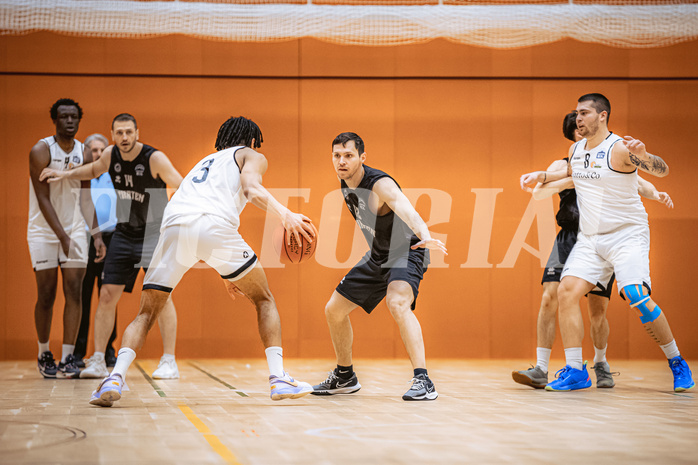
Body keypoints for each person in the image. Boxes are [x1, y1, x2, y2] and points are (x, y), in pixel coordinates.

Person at [87, 115, 317, 406]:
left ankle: (115, 378)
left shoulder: (204, 162)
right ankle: (279, 378)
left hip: (172, 228)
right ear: (251, 140)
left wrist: (227, 273)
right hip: (212, 226)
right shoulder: (251, 155)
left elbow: (197, 223)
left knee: (146, 313)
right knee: (264, 298)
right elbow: (250, 190)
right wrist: (287, 215)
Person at [526, 93, 693, 392]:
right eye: (577, 113)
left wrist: (643, 154)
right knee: (566, 292)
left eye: (585, 113)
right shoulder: (575, 149)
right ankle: (576, 371)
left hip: (626, 235)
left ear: (602, 116)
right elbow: (567, 171)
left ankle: (676, 361)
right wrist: (540, 174)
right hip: (591, 239)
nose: (579, 118)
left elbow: (661, 169)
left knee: (636, 297)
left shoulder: (619, 149)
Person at [40, 113, 183, 380]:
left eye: (129, 132)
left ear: (137, 133)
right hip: (125, 234)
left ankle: (169, 360)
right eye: (119, 133)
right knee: (106, 295)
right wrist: (63, 173)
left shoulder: (154, 158)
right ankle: (97, 360)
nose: (124, 138)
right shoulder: (110, 155)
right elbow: (92, 170)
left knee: (161, 298)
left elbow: (182, 185)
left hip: (153, 235)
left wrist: (178, 220)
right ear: (113, 134)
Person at [311, 132, 447, 401]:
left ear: (362, 157)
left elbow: (404, 207)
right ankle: (345, 375)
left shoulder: (379, 184)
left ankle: (424, 380)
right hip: (378, 255)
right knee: (334, 310)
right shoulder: (345, 183)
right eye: (337, 156)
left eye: (348, 155)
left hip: (407, 250)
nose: (342, 161)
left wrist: (425, 232)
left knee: (397, 302)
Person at [29, 98, 106, 378]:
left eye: (74, 116)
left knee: (74, 290)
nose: (70, 121)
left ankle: (68, 357)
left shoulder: (84, 152)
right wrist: (61, 237)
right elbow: (42, 199)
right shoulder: (41, 150)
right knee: (47, 294)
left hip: (73, 229)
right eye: (64, 117)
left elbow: (86, 197)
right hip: (43, 229)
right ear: (55, 119)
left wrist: (96, 235)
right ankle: (44, 352)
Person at [74, 134, 119, 368]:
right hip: (85, 238)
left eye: (102, 150)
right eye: (93, 150)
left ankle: (108, 349)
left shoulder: (116, 175)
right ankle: (78, 350)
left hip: (112, 239)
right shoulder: (82, 177)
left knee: (109, 294)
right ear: (86, 152)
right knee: (82, 295)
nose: (98, 154)